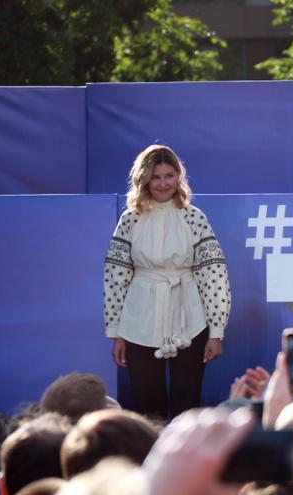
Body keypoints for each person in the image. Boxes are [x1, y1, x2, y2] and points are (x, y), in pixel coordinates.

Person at [103, 144, 231, 419]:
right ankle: (153, 458)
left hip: (190, 317)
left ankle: (189, 457)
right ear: (144, 179)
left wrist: (216, 330)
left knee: (188, 401)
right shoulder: (130, 219)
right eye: (156, 177)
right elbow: (115, 275)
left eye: (169, 175)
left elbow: (213, 274)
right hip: (139, 319)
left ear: (179, 176)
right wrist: (116, 331)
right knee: (148, 405)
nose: (163, 183)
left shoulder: (194, 217)